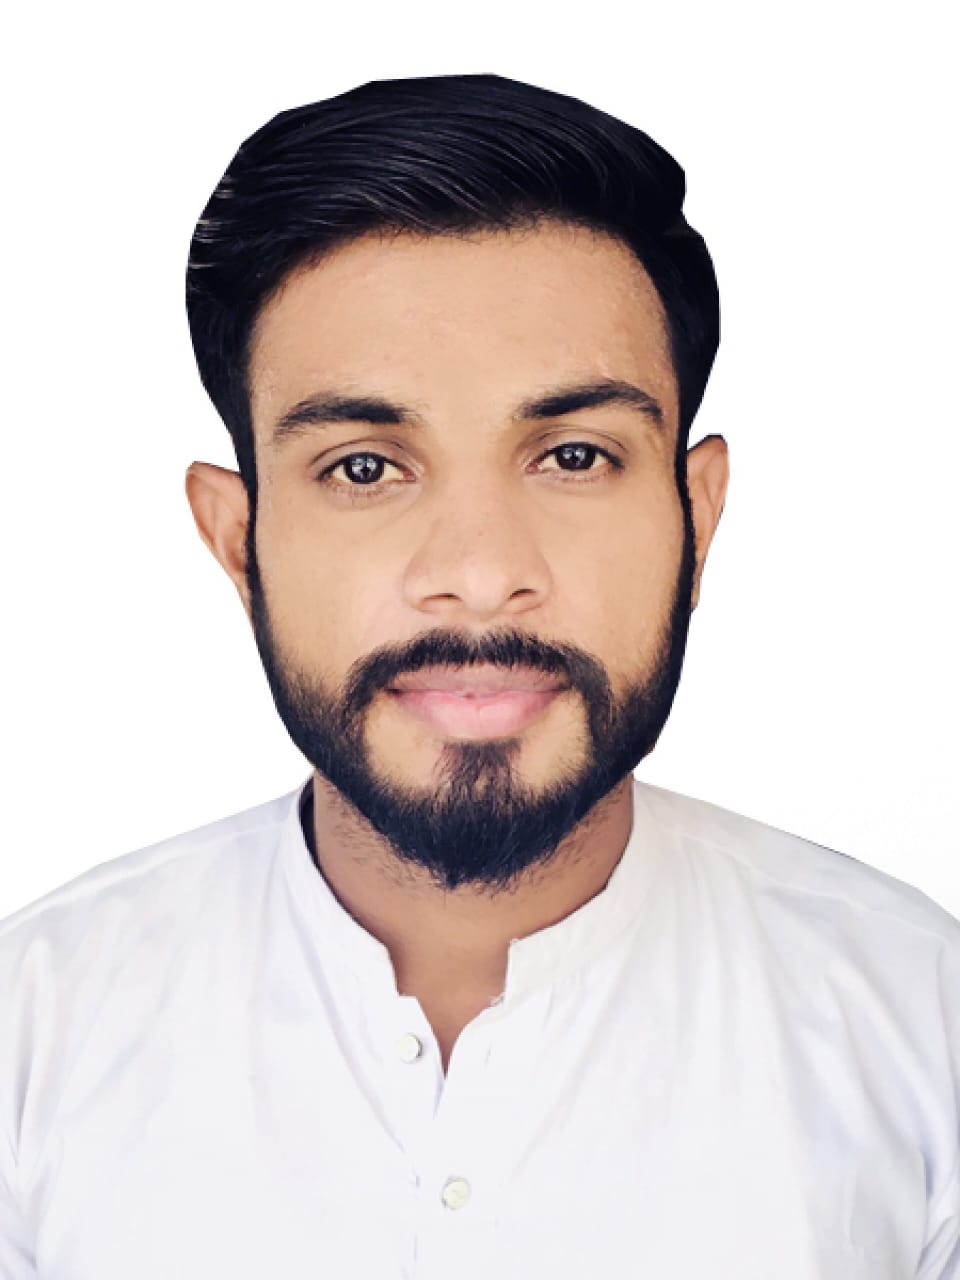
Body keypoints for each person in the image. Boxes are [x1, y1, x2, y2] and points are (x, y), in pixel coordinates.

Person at [0, 73, 956, 1279]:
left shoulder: (925, 1025)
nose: (481, 572)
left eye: (573, 455)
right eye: (363, 467)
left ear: (697, 518)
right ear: (237, 541)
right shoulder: (32, 1036)